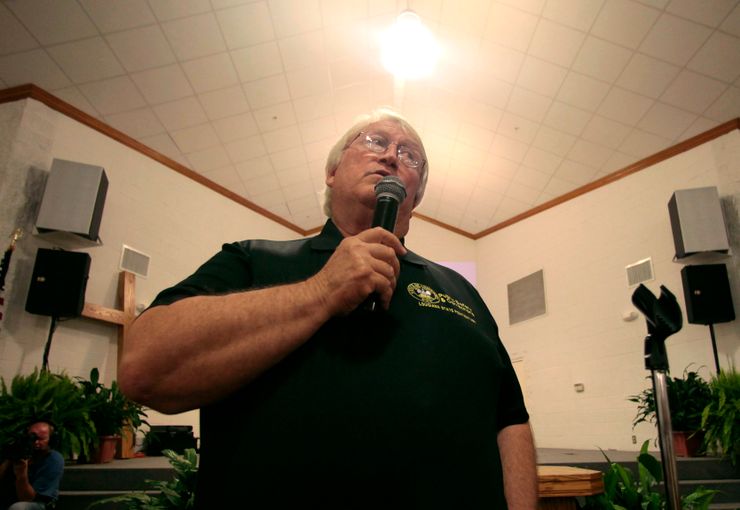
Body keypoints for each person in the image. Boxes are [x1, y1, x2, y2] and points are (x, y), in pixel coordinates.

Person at [119, 108, 538, 509]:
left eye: (410, 156)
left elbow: (511, 419)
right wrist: (321, 291)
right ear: (332, 171)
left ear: (416, 196)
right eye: (375, 141)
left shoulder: (461, 289)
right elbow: (144, 369)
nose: (392, 155)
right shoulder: (252, 260)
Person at [0, 421, 64, 510]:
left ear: (52, 440)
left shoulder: (53, 459)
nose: (35, 442)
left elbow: (27, 498)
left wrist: (21, 474)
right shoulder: (16, 452)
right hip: (7, 500)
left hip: (38, 503)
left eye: (41, 439)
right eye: (32, 438)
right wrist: (8, 459)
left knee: (18, 507)